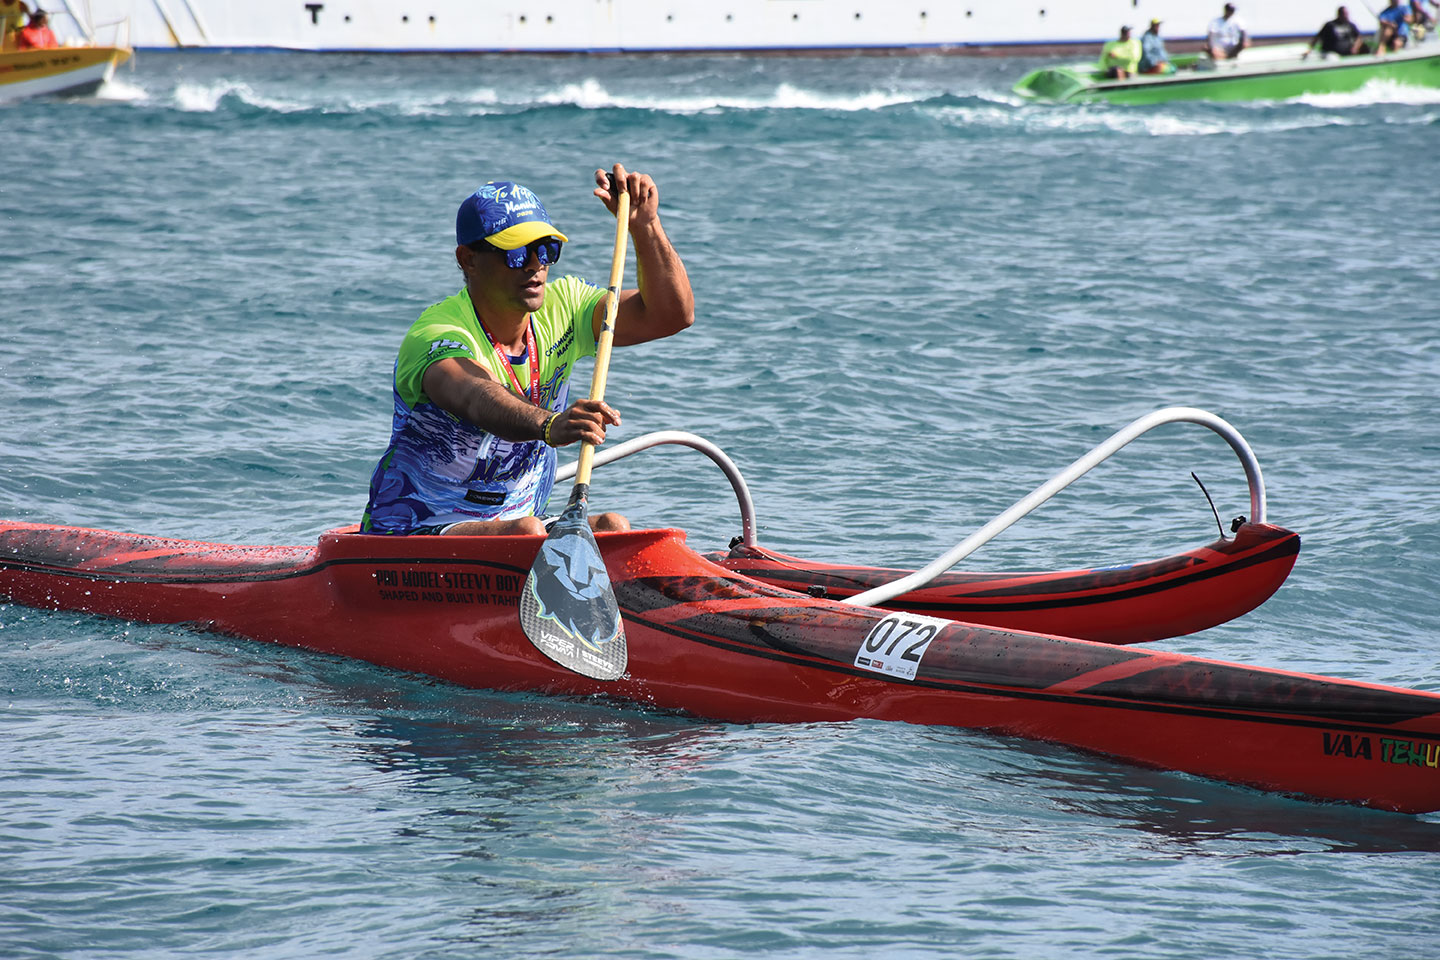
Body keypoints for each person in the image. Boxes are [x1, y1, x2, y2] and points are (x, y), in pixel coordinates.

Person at [360, 166, 695, 537]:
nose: (536, 265)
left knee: (614, 527)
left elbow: (671, 315)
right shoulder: (437, 333)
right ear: (467, 258)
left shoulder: (565, 306)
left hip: (523, 520)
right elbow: (474, 396)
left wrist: (644, 227)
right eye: (516, 253)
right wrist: (549, 425)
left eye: (546, 250)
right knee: (528, 533)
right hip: (417, 525)